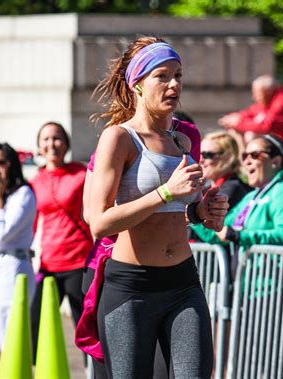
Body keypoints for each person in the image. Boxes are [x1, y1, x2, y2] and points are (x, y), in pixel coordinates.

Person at [87, 38, 228, 378]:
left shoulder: (182, 141)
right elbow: (99, 223)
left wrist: (205, 213)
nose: (174, 84)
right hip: (132, 287)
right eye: (162, 76)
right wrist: (165, 192)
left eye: (178, 75)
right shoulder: (118, 138)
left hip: (183, 281)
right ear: (137, 85)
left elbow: (182, 213)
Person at [192, 134, 283, 272]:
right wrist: (192, 213)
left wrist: (239, 236)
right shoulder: (251, 196)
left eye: (254, 155)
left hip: (278, 286)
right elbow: (218, 233)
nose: (247, 161)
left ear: (276, 161)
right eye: (244, 156)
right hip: (250, 286)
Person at [30, 121, 93, 361]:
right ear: (39, 146)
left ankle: (92, 373)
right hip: (48, 265)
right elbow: (32, 221)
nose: (51, 144)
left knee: (85, 328)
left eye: (56, 138)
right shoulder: (36, 180)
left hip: (79, 261)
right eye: (45, 139)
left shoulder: (81, 173)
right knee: (35, 325)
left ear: (66, 143)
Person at [0, 143, 37, 379]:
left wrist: (0, 201)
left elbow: (2, 236)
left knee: (9, 332)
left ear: (11, 164)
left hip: (14, 269)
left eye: (0, 162)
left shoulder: (24, 193)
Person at [218, 74, 283, 147]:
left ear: (268, 92)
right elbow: (250, 112)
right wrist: (235, 118)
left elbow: (267, 126)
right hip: (272, 138)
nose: (253, 97)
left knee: (250, 135)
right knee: (234, 132)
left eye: (257, 93)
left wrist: (238, 124)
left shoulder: (282, 101)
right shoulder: (266, 101)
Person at [199, 131, 252, 210]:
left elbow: (205, 216)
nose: (201, 160)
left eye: (207, 155)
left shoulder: (232, 188)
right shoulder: (208, 188)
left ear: (228, 157)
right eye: (199, 154)